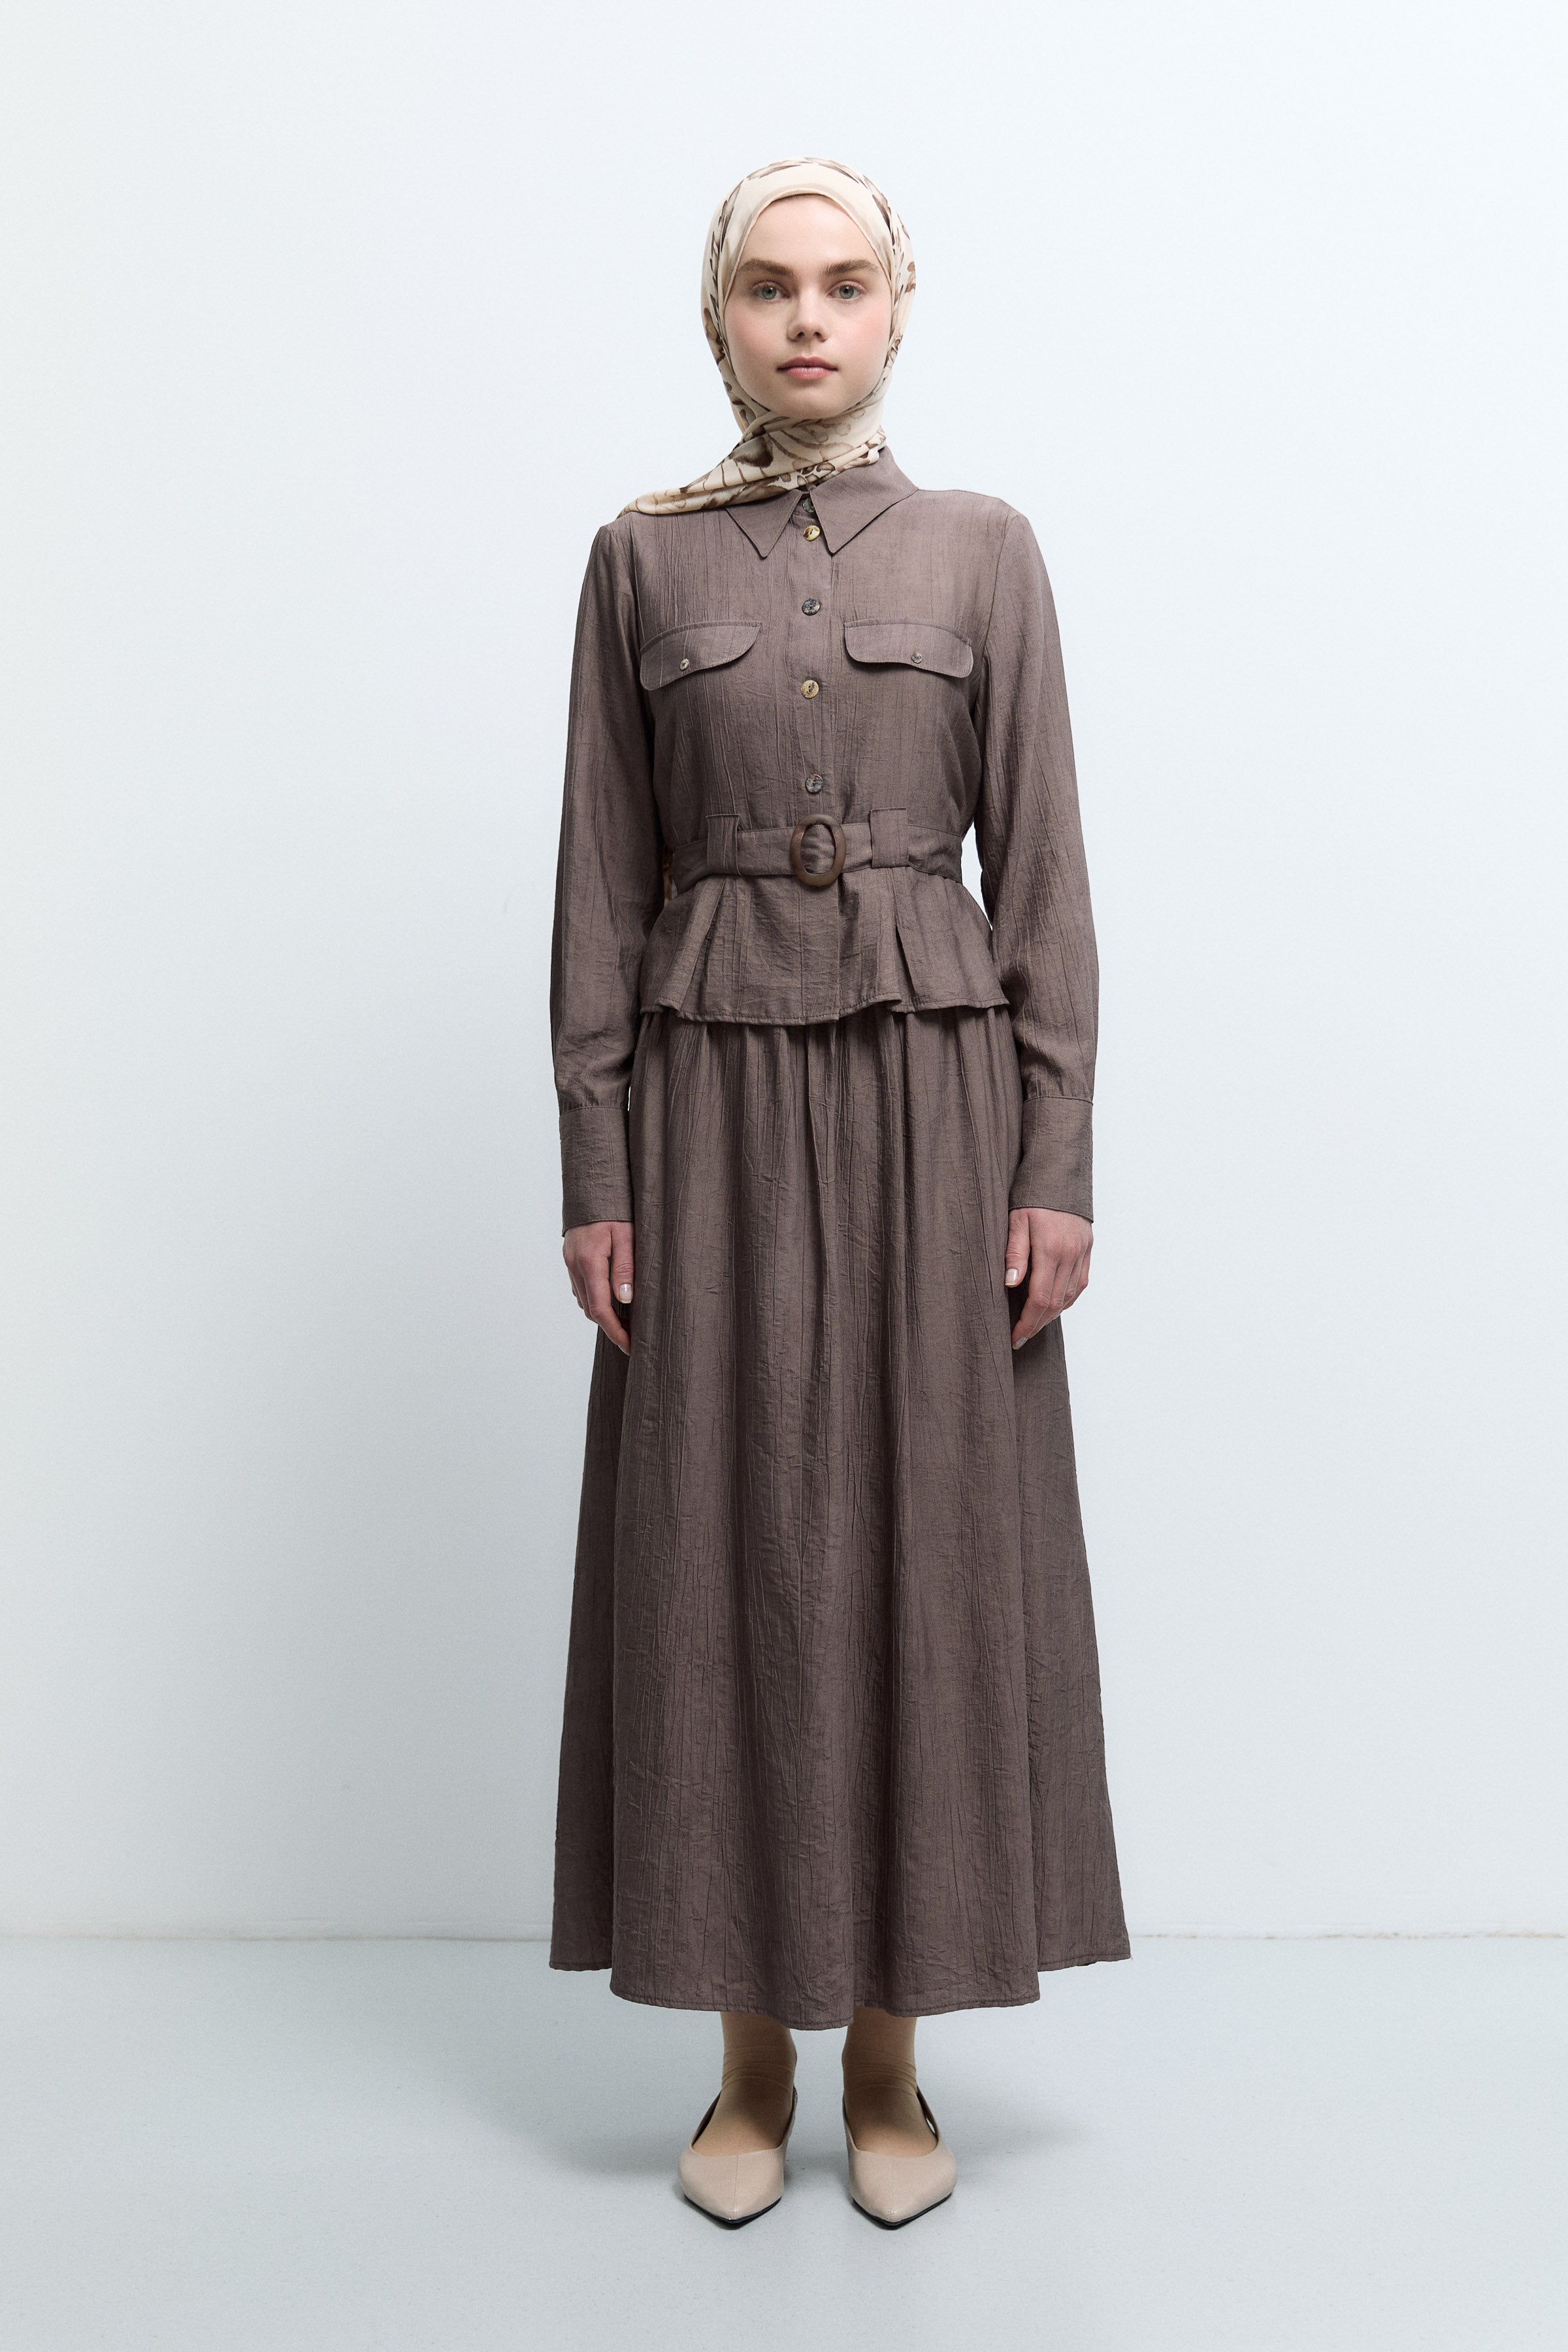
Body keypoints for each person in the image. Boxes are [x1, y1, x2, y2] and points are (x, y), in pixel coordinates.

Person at [547, 155, 1128, 2230]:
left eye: (847, 283)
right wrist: (597, 1164)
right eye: (771, 286)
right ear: (717, 317)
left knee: (919, 1555)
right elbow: (599, 884)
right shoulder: (638, 559)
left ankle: (888, 2064)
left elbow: (1043, 876)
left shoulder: (986, 551)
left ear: (897, 309)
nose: (809, 318)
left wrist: (1054, 1161)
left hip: (932, 1105)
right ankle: (744, 2066)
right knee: (722, 1552)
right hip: (706, 1101)